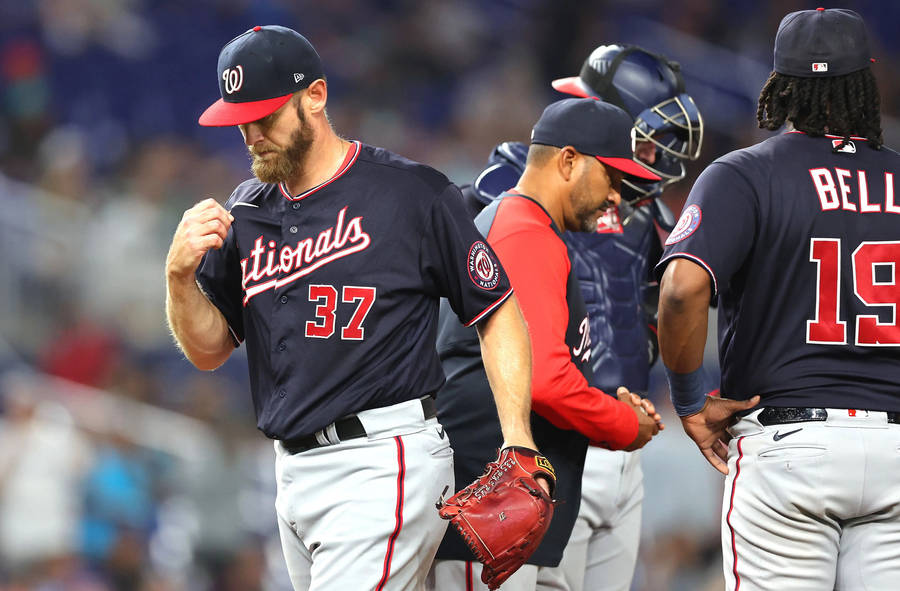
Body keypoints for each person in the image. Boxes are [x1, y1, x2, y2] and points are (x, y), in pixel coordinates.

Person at [165, 25, 545, 590]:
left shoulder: (411, 193)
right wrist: (178, 280)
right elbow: (209, 349)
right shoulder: (247, 211)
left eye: (264, 116)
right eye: (240, 119)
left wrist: (518, 437)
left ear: (314, 96)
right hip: (291, 471)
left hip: (383, 459)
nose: (250, 134)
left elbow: (496, 312)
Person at [656, 8, 900, 590]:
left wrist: (691, 403)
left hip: (790, 448)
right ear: (867, 79)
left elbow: (683, 288)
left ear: (780, 85)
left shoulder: (745, 174)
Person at [454, 45, 704, 591]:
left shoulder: (654, 216)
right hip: (543, 436)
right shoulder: (513, 193)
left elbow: (657, 313)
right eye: (648, 136)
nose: (660, 156)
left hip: (615, 438)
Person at [428, 97, 664, 591]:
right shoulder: (524, 231)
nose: (617, 197)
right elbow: (544, 383)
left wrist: (601, 404)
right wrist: (624, 424)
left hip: (494, 503)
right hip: (488, 505)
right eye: (612, 178)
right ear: (569, 161)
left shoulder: (516, 223)